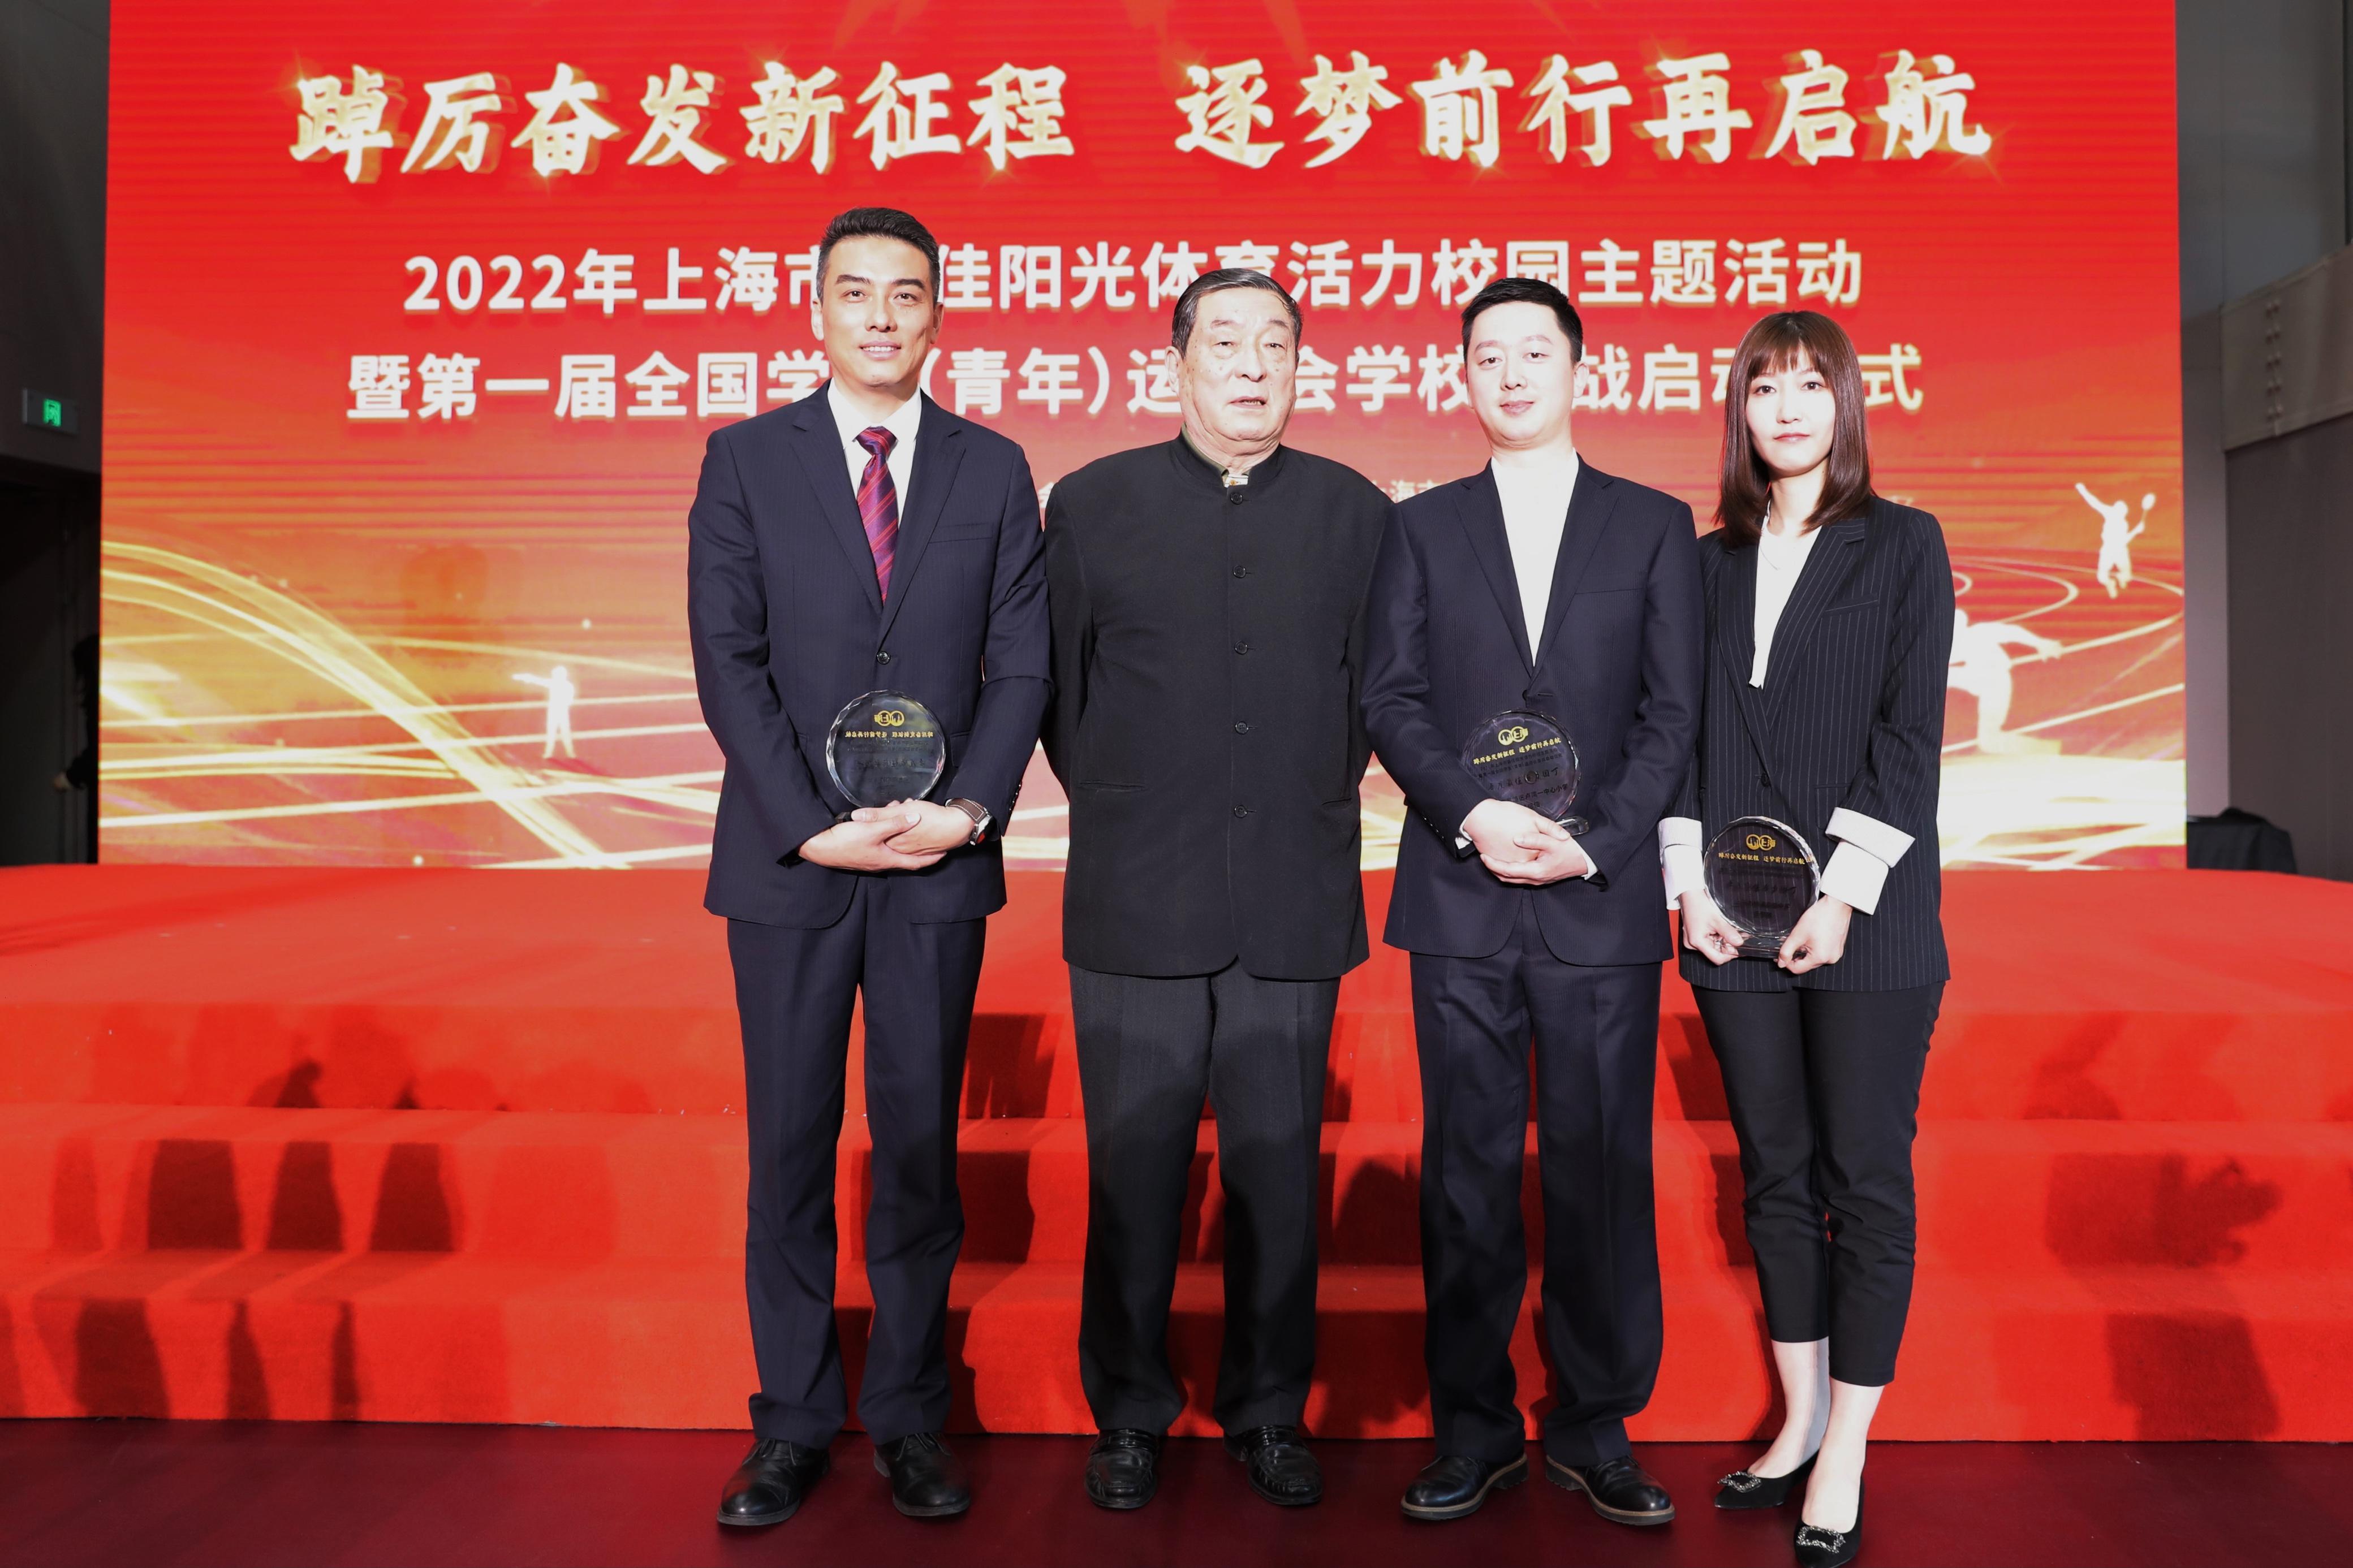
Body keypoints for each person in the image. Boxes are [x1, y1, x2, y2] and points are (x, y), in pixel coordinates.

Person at [687, 206, 1049, 1527]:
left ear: (938, 312)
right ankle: (790, 1422)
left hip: (936, 865)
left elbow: (1021, 663)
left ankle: (905, 1414)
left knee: (917, 1147)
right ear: (817, 311)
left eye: (906, 293)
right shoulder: (745, 459)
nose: (882, 316)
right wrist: (805, 821)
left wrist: (968, 812)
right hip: (790, 865)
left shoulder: (993, 469)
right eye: (856, 292)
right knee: (788, 1144)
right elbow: (727, 656)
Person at [1042, 268, 1391, 1513]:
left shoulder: (1355, 512)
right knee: (1133, 1175)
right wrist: (1138, 802)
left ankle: (1267, 1408)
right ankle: (1130, 1410)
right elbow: (1062, 696)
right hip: (1137, 890)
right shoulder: (1092, 503)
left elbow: (1372, 696)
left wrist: (1294, 796)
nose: (1252, 364)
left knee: (1277, 1176)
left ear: (1301, 366)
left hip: (1291, 890)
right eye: (1226, 342)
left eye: (1276, 344)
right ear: (1176, 361)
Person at [1361, 277, 1702, 1526]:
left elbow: (1674, 712)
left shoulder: (1653, 525)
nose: (1510, 375)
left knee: (1600, 1167)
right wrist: (1474, 812)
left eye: (1534, 353)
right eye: (1487, 356)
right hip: (1462, 892)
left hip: (1596, 900)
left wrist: (1594, 844)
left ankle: (1596, 1423)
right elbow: (1389, 696)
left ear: (1580, 370)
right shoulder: (1419, 527)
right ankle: (1473, 1427)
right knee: (1466, 1169)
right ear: (1462, 377)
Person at [1662, 310, 1954, 1568]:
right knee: (1773, 1173)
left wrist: (1842, 893)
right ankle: (1799, 1419)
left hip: (1866, 924)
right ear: (1739, 408)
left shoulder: (1904, 543)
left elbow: (1907, 736)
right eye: (1764, 387)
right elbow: (1676, 731)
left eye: (1809, 386)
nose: (1786, 408)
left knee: (1862, 1179)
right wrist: (1689, 884)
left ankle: (1848, 1447)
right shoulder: (1703, 561)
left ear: (1847, 403)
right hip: (1730, 921)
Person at [1948, 606, 2061, 753]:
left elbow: (2012, 632)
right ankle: (2046, 749)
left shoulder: (1979, 633)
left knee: (1989, 741)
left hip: (1995, 683)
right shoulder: (1955, 645)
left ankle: (2048, 749)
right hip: (1983, 681)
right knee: (1989, 741)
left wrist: (2040, 643)